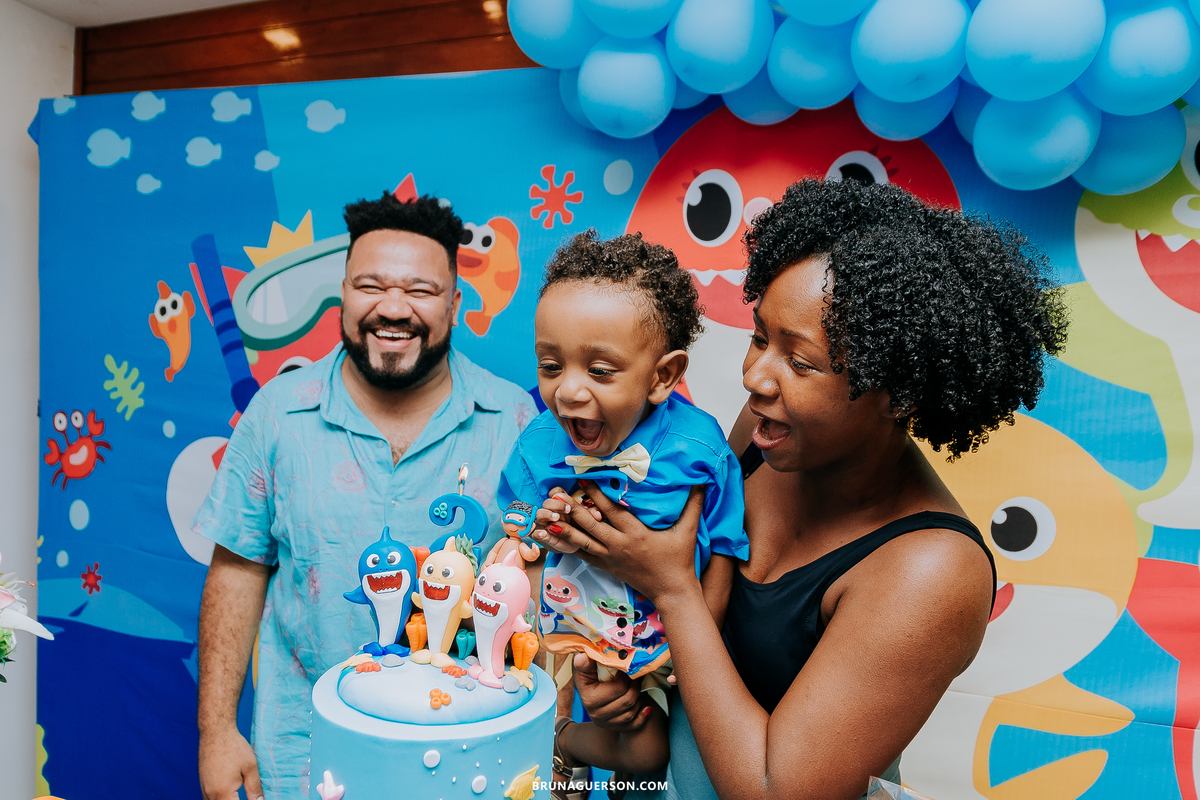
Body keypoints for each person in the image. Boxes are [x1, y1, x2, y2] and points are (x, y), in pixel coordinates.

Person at [535, 179, 1069, 800]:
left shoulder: (933, 570)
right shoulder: (765, 437)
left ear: (898, 394)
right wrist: (628, 679)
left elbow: (774, 790)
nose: (754, 375)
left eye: (801, 361)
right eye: (762, 336)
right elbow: (680, 626)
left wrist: (673, 589)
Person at [193, 192, 536, 800]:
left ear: (455, 304)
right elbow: (237, 569)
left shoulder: (512, 419)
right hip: (303, 755)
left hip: (468, 759)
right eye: (370, 285)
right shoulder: (277, 412)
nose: (393, 308)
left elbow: (537, 587)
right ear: (344, 295)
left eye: (421, 290)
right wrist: (216, 731)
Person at [494, 232, 750, 786]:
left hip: (664, 639)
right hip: (570, 630)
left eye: (600, 371)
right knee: (519, 721)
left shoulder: (701, 451)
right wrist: (540, 532)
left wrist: (690, 647)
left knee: (648, 754)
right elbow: (520, 538)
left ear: (662, 376)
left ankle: (566, 749)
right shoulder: (537, 445)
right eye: (550, 366)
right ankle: (555, 745)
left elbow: (726, 549)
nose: (567, 391)